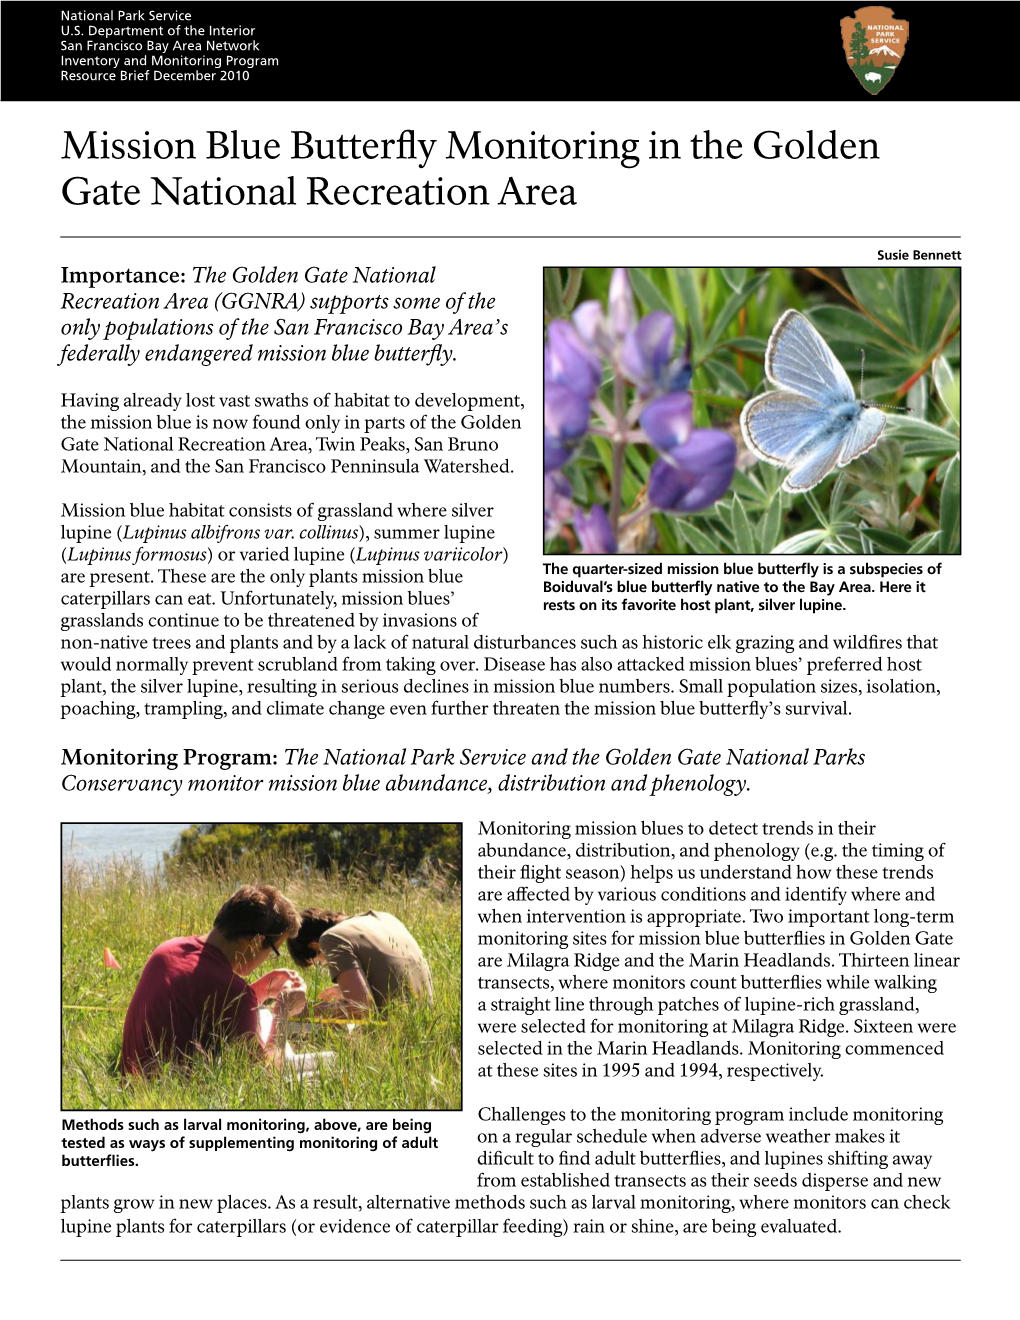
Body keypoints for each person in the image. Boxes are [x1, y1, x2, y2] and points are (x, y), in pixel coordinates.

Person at [121, 884, 307, 1075]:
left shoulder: (167, 950)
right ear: (256, 942)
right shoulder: (232, 992)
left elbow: (202, 1004)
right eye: (272, 951)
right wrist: (282, 1012)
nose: (268, 958)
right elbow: (266, 1079)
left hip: (132, 1088)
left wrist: (258, 992)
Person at [287, 908, 434, 1017]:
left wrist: (298, 1010)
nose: (324, 966)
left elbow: (361, 1009)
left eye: (319, 963)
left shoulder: (330, 938)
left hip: (395, 1033)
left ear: (315, 946)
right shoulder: (385, 918)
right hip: (425, 1020)